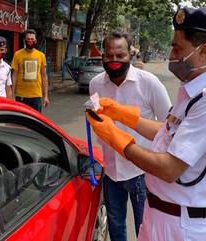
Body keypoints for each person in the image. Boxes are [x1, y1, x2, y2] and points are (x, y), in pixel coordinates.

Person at [86, 7, 206, 241]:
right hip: (161, 214)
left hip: (180, 224)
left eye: (177, 48)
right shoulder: (193, 90)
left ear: (204, 51)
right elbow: (166, 132)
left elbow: (169, 168)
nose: (171, 55)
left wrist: (114, 136)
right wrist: (122, 115)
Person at [89, 31, 171, 241]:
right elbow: (98, 119)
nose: (114, 60)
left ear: (130, 54)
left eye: (120, 55)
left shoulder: (149, 83)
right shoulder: (96, 84)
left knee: (145, 229)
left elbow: (170, 128)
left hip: (142, 173)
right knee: (116, 228)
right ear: (102, 57)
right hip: (111, 172)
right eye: (109, 55)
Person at [11, 29, 49, 112]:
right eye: (28, 39)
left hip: (36, 96)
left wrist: (45, 96)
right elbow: (14, 75)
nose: (30, 41)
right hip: (21, 96)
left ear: (35, 41)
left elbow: (44, 76)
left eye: (32, 39)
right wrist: (12, 95)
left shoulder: (41, 56)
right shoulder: (17, 54)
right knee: (21, 122)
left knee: (36, 121)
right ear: (25, 40)